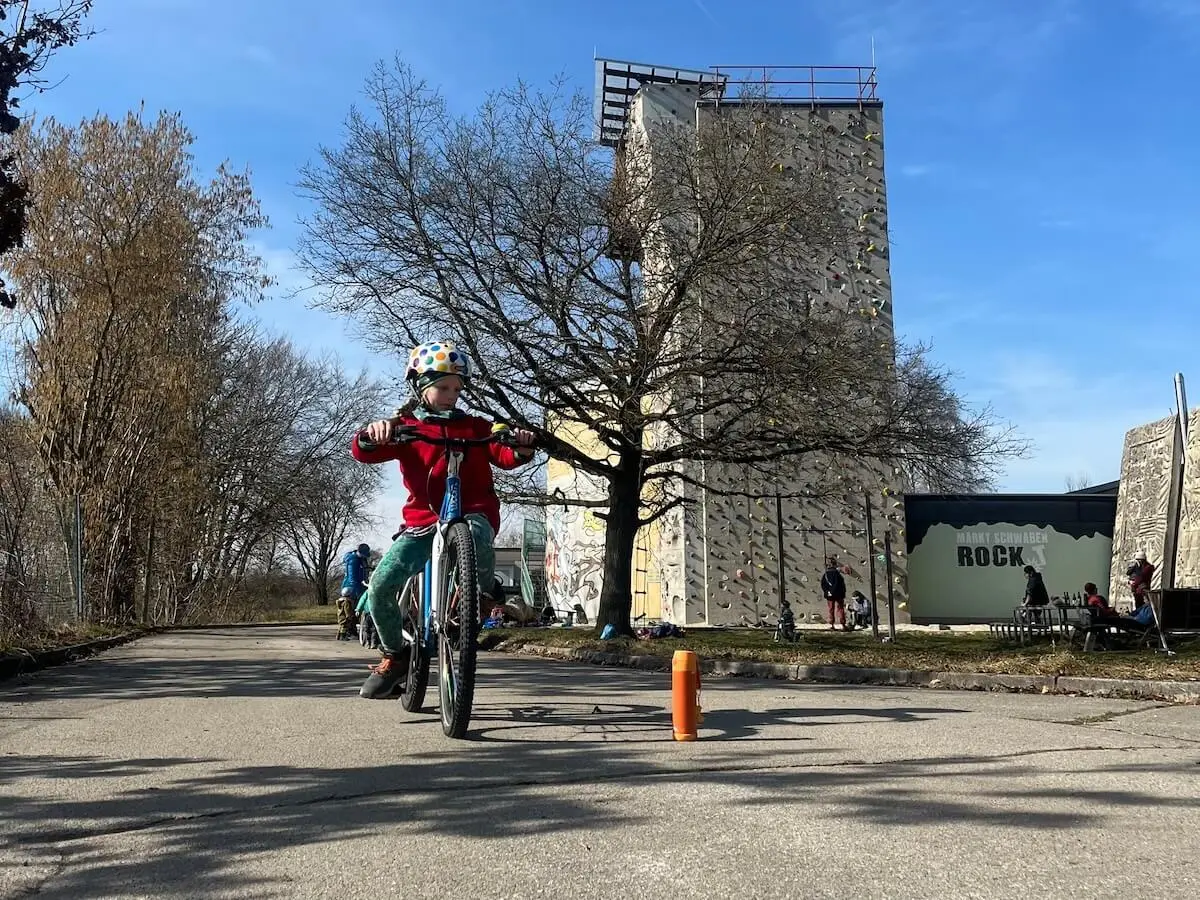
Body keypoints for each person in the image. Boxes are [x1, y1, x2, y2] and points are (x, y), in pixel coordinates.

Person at [350, 340, 536, 699]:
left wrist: (522, 447)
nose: (452, 395)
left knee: (478, 530)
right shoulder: (405, 427)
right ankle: (395, 655)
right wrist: (372, 435)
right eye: (443, 388)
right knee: (380, 586)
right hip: (422, 522)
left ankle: (478, 596)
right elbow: (364, 451)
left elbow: (503, 451)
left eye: (457, 388)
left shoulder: (476, 427)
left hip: (472, 513)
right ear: (421, 387)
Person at [336, 542, 371, 641]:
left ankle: (352, 630)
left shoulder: (360, 559)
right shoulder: (353, 560)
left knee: (354, 611)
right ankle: (347, 631)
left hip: (359, 586)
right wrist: (357, 590)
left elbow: (363, 573)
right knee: (349, 612)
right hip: (352, 588)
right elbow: (352, 577)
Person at [820, 557, 848, 631]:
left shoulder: (826, 574)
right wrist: (842, 593)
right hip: (839, 594)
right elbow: (841, 585)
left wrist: (828, 592)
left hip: (829, 595)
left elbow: (823, 584)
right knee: (840, 609)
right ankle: (843, 625)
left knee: (831, 609)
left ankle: (832, 624)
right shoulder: (838, 575)